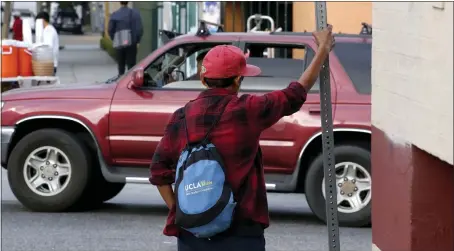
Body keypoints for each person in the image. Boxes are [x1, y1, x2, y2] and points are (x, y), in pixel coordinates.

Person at [149, 26, 335, 251]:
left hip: (192, 234)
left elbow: (158, 172)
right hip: (241, 231)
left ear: (202, 77)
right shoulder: (247, 109)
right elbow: (294, 93)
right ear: (238, 80)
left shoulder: (181, 117)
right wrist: (322, 51)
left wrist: (181, 212)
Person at [108, 1, 143, 75]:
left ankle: (121, 82)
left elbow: (110, 29)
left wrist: (115, 39)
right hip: (132, 43)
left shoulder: (115, 14)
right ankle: (131, 83)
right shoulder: (135, 14)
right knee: (131, 66)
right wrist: (137, 40)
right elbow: (139, 29)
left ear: (120, 2)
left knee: (121, 66)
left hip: (119, 43)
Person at [36, 11, 59, 76]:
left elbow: (47, 47)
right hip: (49, 64)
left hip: (48, 65)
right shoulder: (48, 29)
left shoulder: (49, 31)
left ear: (42, 20)